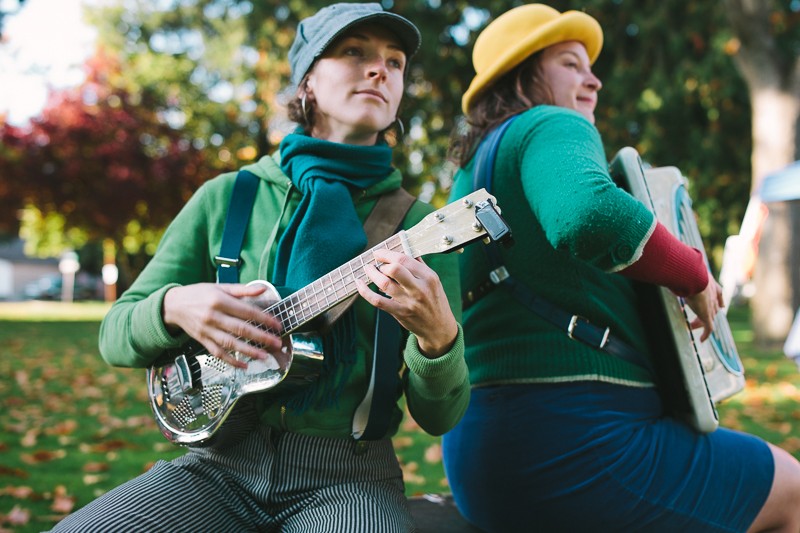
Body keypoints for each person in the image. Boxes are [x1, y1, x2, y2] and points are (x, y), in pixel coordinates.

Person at [52, 3, 469, 531]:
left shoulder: (422, 228)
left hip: (350, 477)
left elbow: (440, 417)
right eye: (354, 53)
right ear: (308, 81)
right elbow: (116, 333)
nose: (379, 69)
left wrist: (439, 341)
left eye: (395, 62)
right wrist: (175, 305)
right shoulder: (228, 197)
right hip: (218, 464)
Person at [441, 4, 800, 532]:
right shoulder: (550, 121)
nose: (593, 80)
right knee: (791, 487)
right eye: (570, 64)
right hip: (577, 443)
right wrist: (694, 272)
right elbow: (586, 214)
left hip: (479, 458)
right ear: (522, 78)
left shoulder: (471, 172)